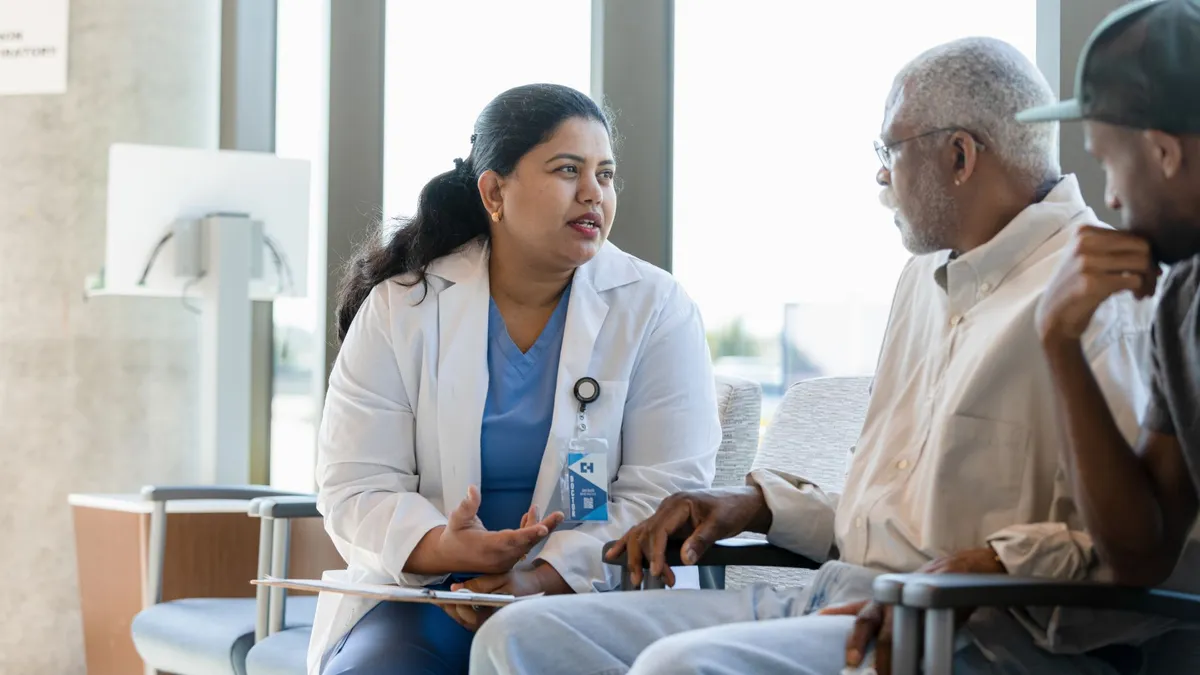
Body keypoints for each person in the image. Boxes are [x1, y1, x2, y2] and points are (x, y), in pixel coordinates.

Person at [471, 39, 1159, 675]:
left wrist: (970, 570)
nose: (880, 174)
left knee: (676, 668)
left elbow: (1124, 551)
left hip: (969, 635)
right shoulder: (925, 280)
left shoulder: (1099, 297)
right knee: (519, 635)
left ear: (958, 157)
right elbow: (892, 519)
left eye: (890, 149)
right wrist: (756, 503)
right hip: (837, 592)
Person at [306, 83, 721, 675]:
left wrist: (541, 578)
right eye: (567, 170)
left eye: (605, 175)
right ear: (494, 191)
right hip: (437, 594)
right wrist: (443, 548)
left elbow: (665, 491)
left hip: (589, 598)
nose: (592, 194)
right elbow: (355, 484)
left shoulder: (654, 306)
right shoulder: (404, 307)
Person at [1022, 0, 1200, 589]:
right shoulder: (1179, 302)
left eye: (1105, 164)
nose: (1113, 200)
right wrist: (1058, 340)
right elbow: (1141, 555)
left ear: (1163, 152)